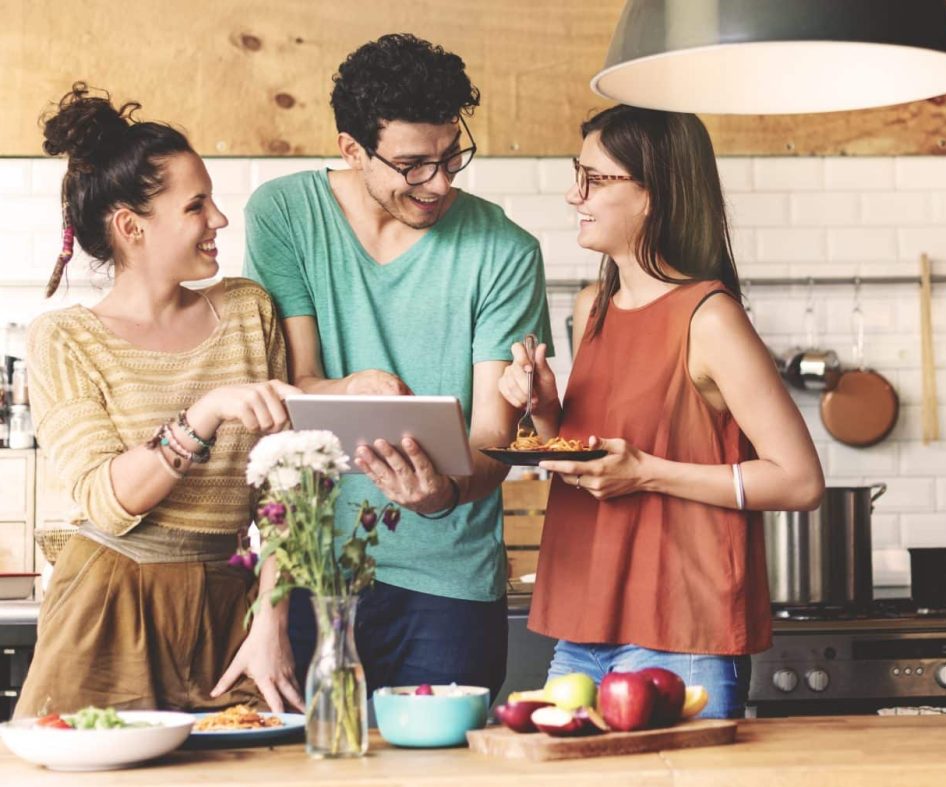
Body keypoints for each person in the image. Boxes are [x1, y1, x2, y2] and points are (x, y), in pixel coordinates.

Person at [243, 34, 552, 701]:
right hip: (313, 574)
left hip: (450, 585)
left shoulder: (504, 251)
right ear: (352, 149)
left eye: (450, 157)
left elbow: (497, 441)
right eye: (413, 165)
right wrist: (348, 386)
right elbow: (294, 383)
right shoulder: (286, 216)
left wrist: (444, 495)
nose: (438, 183)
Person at [497, 105, 825, 719]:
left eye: (595, 179)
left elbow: (799, 479)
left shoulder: (711, 318)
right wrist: (544, 411)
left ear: (654, 193)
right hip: (583, 628)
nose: (575, 194)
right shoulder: (591, 307)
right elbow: (590, 462)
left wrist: (649, 472)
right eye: (578, 174)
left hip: (683, 635)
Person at [14, 84, 304, 717]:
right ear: (130, 226)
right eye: (196, 206)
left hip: (232, 605)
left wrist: (271, 621)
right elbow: (108, 501)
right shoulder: (65, 339)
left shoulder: (249, 310)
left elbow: (291, 489)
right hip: (107, 601)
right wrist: (205, 412)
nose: (219, 221)